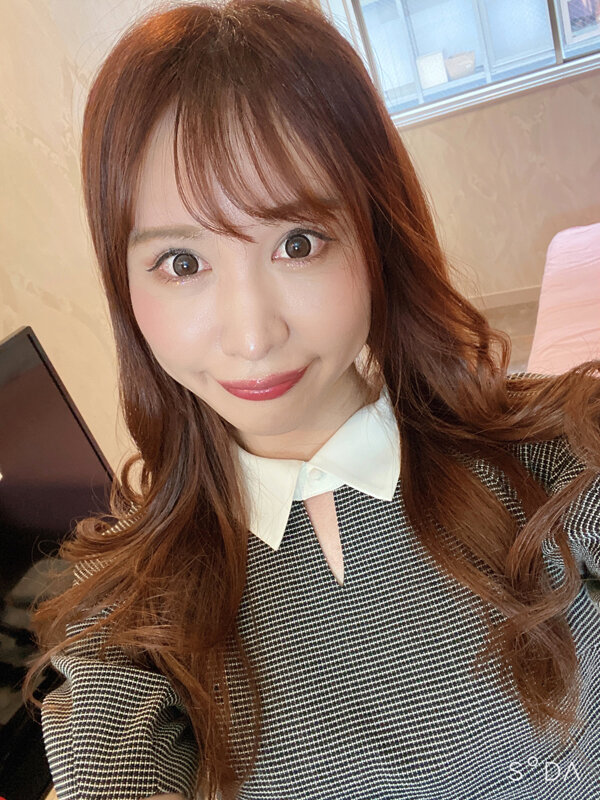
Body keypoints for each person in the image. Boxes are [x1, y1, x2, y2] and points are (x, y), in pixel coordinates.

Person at [22, 1, 600, 798]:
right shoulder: (131, 614)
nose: (251, 336)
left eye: (298, 243)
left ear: (376, 237)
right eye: (183, 263)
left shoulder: (554, 454)